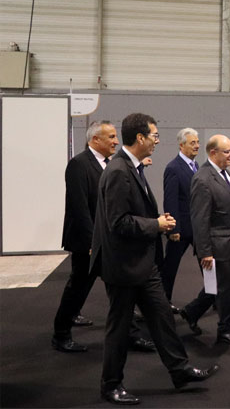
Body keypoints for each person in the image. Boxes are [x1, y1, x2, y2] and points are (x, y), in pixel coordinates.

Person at [91, 113, 218, 405]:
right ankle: (111, 385)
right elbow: (118, 223)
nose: (157, 142)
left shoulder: (131, 168)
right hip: (124, 265)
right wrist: (156, 224)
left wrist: (156, 221)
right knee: (119, 328)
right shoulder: (119, 172)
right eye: (155, 136)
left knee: (162, 317)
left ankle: (180, 370)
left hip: (141, 263)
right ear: (140, 138)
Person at [52, 121, 155, 354]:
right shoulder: (79, 165)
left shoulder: (111, 164)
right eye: (110, 137)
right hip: (87, 243)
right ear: (95, 139)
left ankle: (130, 335)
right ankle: (61, 335)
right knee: (78, 288)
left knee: (120, 290)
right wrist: (92, 243)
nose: (116, 141)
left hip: (109, 241)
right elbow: (79, 208)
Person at [179, 135, 230, 345]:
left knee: (217, 285)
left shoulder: (221, 172)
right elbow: (200, 220)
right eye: (227, 151)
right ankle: (226, 330)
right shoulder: (203, 179)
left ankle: (191, 312)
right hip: (218, 246)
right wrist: (205, 252)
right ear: (213, 153)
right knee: (224, 289)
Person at [160, 128, 200, 313]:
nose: (197, 146)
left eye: (197, 142)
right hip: (181, 229)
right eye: (192, 143)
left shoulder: (196, 165)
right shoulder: (173, 168)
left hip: (197, 228)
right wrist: (173, 229)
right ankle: (163, 302)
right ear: (181, 145)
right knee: (170, 266)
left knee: (208, 265)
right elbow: (170, 200)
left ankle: (216, 298)